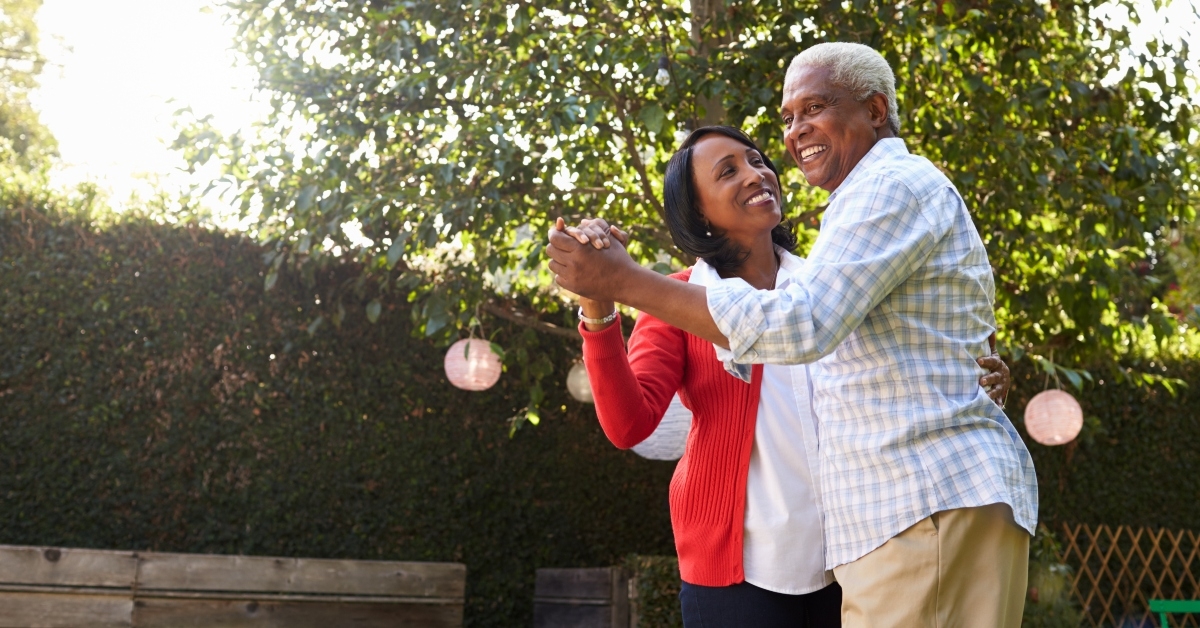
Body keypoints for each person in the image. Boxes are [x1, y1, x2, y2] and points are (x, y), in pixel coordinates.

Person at [548, 43, 1037, 628]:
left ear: (875, 111)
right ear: (699, 212)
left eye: (756, 159)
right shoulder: (679, 299)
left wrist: (968, 371)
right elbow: (630, 424)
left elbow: (828, 329)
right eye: (728, 171)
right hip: (746, 566)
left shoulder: (825, 277)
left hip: (847, 546)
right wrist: (603, 304)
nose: (759, 170)